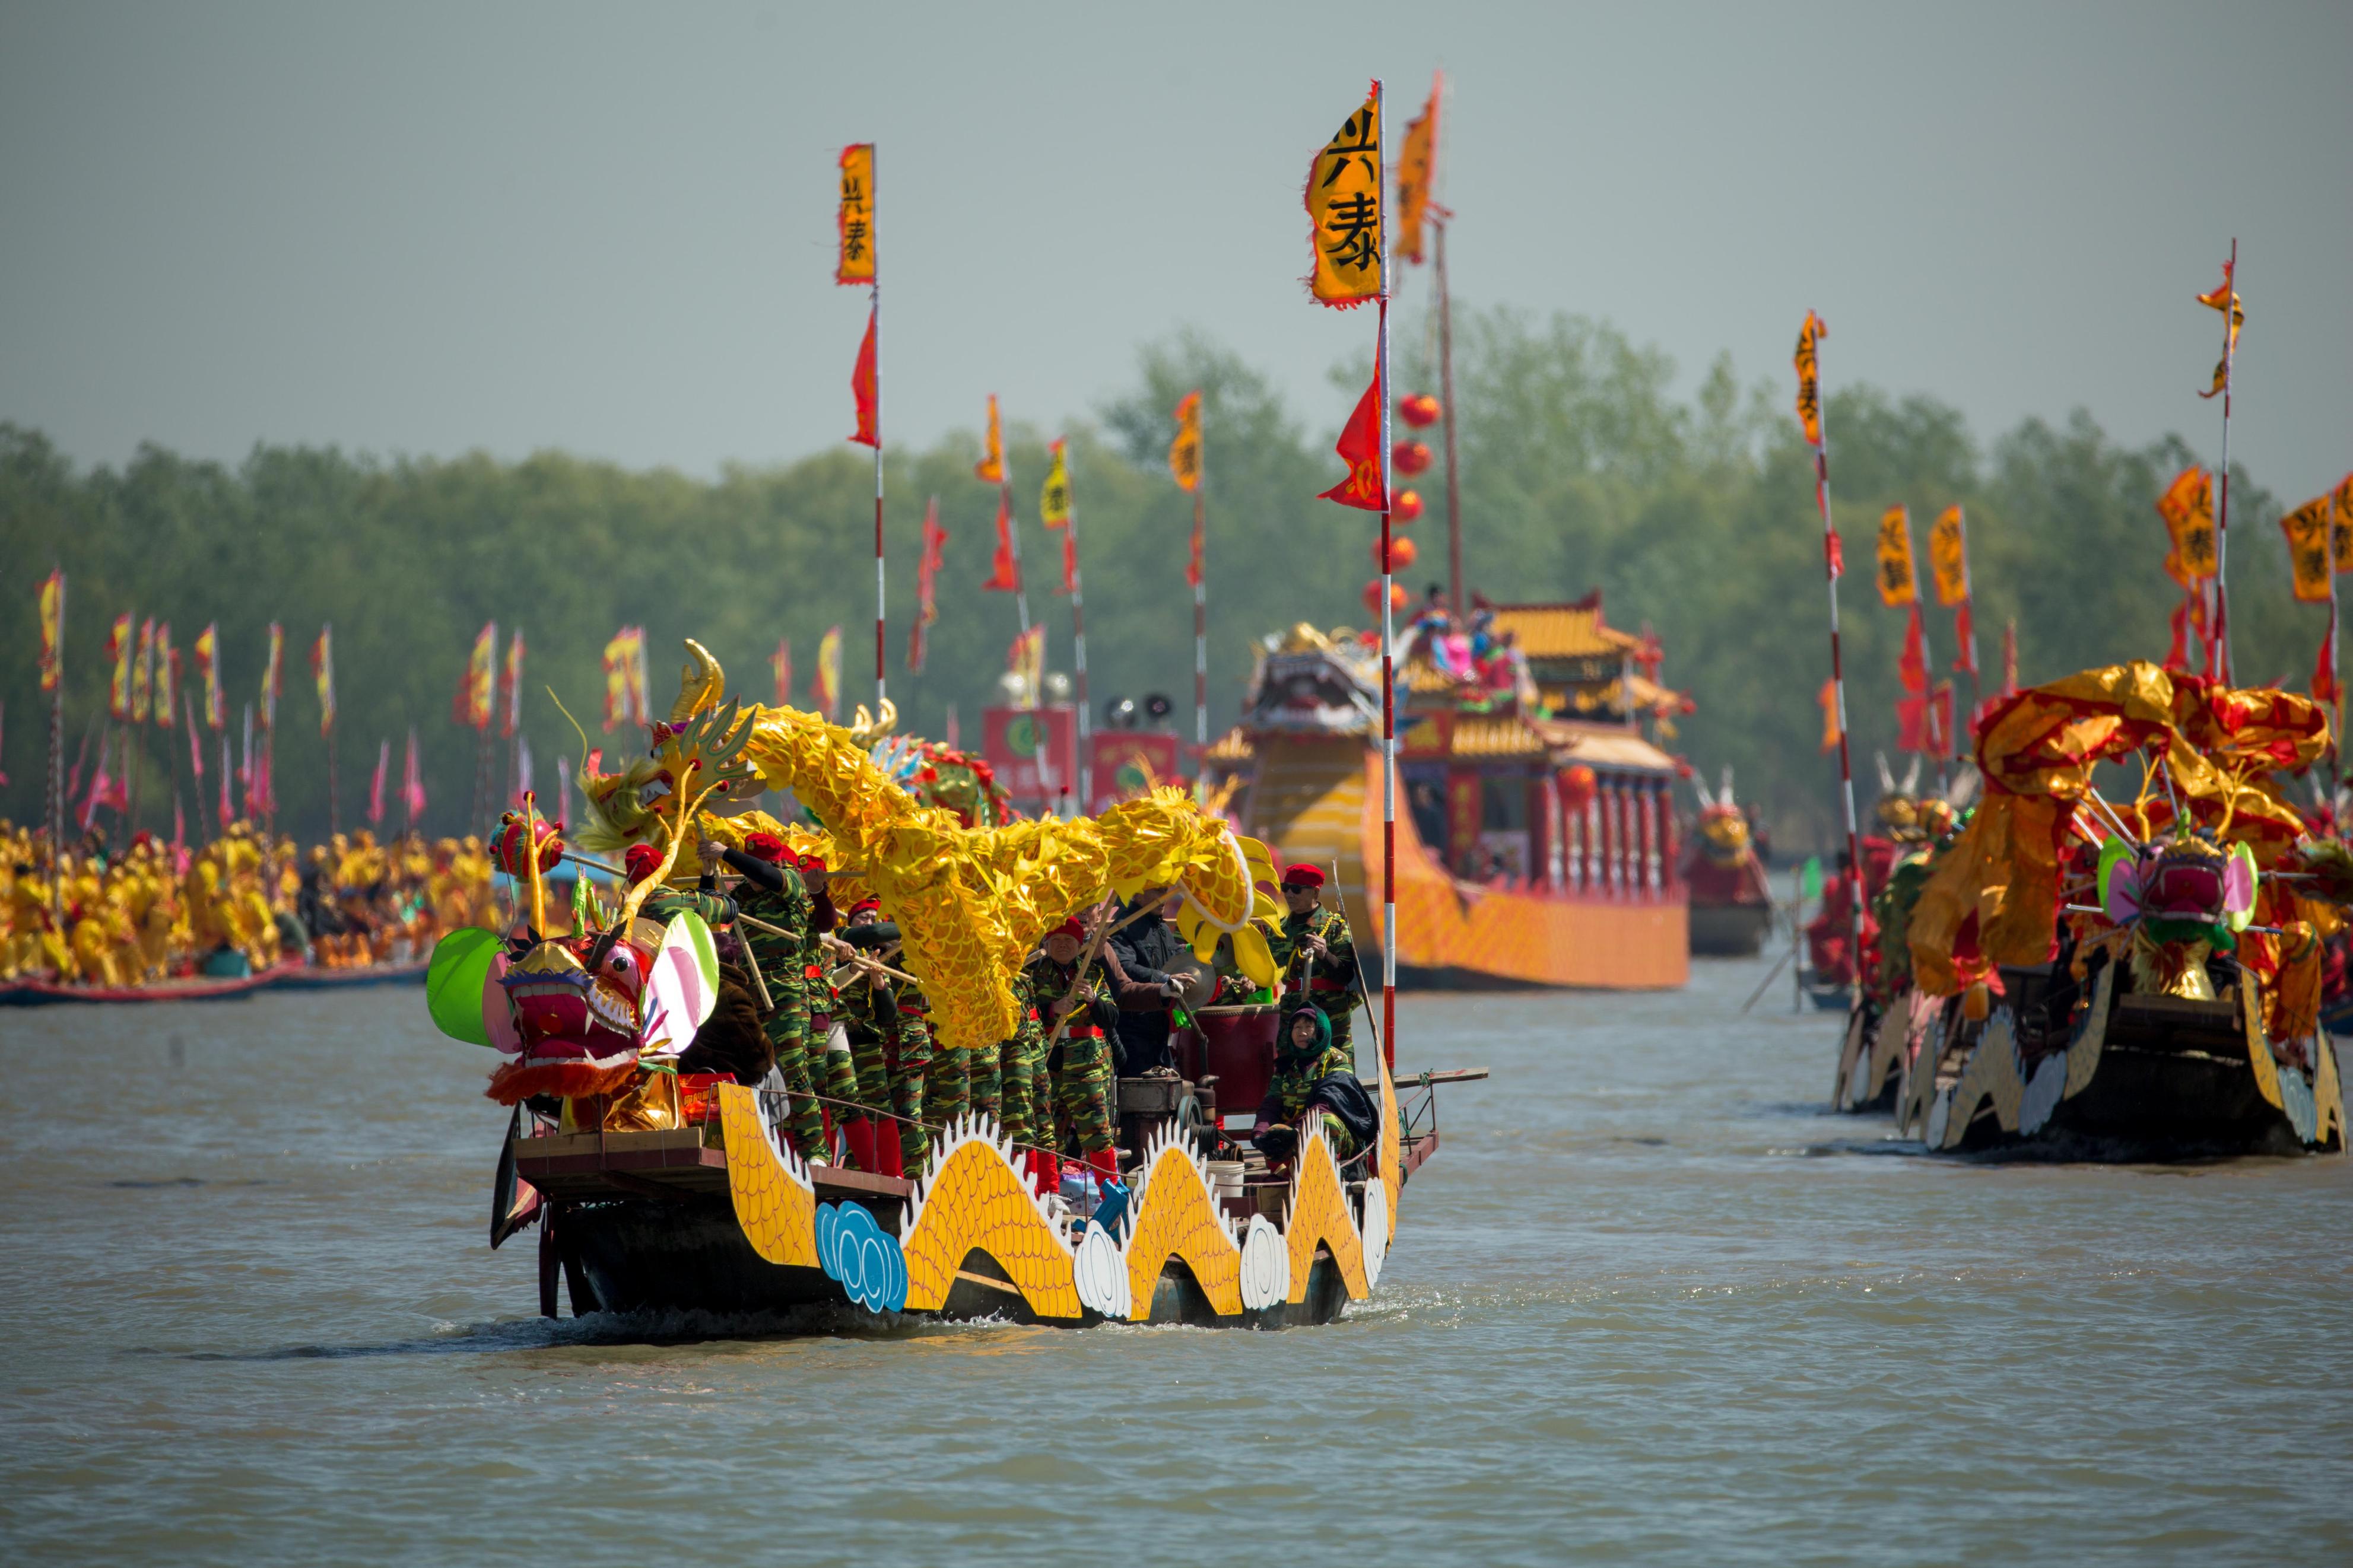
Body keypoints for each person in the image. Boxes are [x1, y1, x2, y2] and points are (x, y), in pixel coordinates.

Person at [703, 831, 838, 1165]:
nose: (752, 877)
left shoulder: (791, 882)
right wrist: (708, 871)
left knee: (793, 1070)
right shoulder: (743, 894)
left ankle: (815, 1152)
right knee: (753, 1069)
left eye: (757, 867)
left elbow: (769, 876)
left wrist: (726, 853)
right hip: (749, 993)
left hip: (787, 993)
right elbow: (708, 911)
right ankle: (762, 1146)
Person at [1025, 914, 1120, 1186]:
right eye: (1057, 940)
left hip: (1088, 1064)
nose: (1063, 945)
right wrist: (1051, 1009)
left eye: (1069, 940)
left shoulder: (1093, 973)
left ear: (1080, 945)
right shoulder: (1034, 975)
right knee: (1046, 1132)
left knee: (1097, 1132)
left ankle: (1110, 1192)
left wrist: (1092, 999)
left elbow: (1112, 1018)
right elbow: (1022, 1014)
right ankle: (1047, 1193)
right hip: (1048, 1061)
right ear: (1046, 944)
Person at [1250, 1004, 1376, 1171]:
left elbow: (1327, 1102)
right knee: (1274, 1133)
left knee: (1326, 1121)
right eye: (1297, 1027)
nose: (1302, 1033)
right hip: (1294, 1135)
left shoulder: (1337, 1060)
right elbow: (1271, 1104)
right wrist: (1259, 1134)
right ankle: (1290, 1170)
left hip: (1336, 1135)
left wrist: (1299, 1130)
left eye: (1309, 1027)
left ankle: (1328, 1171)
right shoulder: (1285, 1066)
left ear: (1320, 1031)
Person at [1266, 864, 1363, 1067]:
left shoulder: (1335, 926)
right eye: (1286, 888)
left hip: (1330, 1014)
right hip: (1293, 1014)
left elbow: (1346, 975)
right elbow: (1265, 971)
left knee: (1336, 1071)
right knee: (1289, 1072)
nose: (1289, 894)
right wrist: (1249, 981)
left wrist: (1324, 955)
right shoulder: (1278, 930)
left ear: (1315, 892)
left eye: (1297, 889)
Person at [1102, 887, 1192, 1076]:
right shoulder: (1124, 927)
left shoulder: (1161, 928)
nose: (1164, 897)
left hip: (1160, 1027)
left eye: (1166, 891)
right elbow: (1125, 967)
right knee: (1139, 1086)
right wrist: (1165, 980)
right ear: (1138, 893)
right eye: (1158, 891)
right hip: (1135, 1028)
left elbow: (1174, 956)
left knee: (1167, 1084)